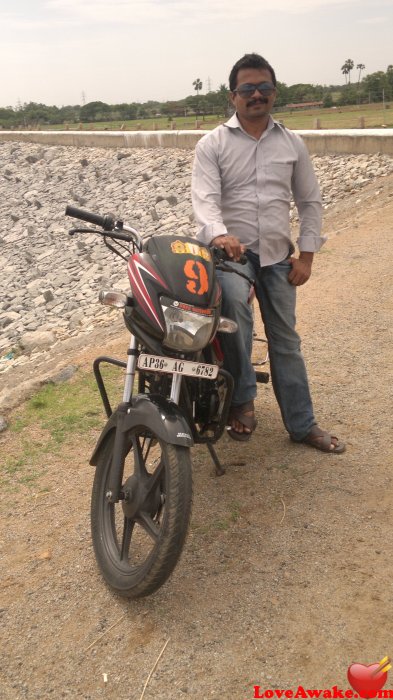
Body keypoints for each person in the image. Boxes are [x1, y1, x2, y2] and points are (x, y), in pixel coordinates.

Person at [191, 52, 345, 453]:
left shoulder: (292, 143)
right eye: (247, 89)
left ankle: (302, 424)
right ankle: (242, 401)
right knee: (236, 318)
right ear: (233, 96)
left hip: (278, 256)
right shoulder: (212, 144)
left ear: (274, 93)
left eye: (263, 88)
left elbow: (309, 202)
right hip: (231, 257)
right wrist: (220, 235)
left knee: (286, 341)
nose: (256, 95)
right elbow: (205, 202)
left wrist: (307, 257)